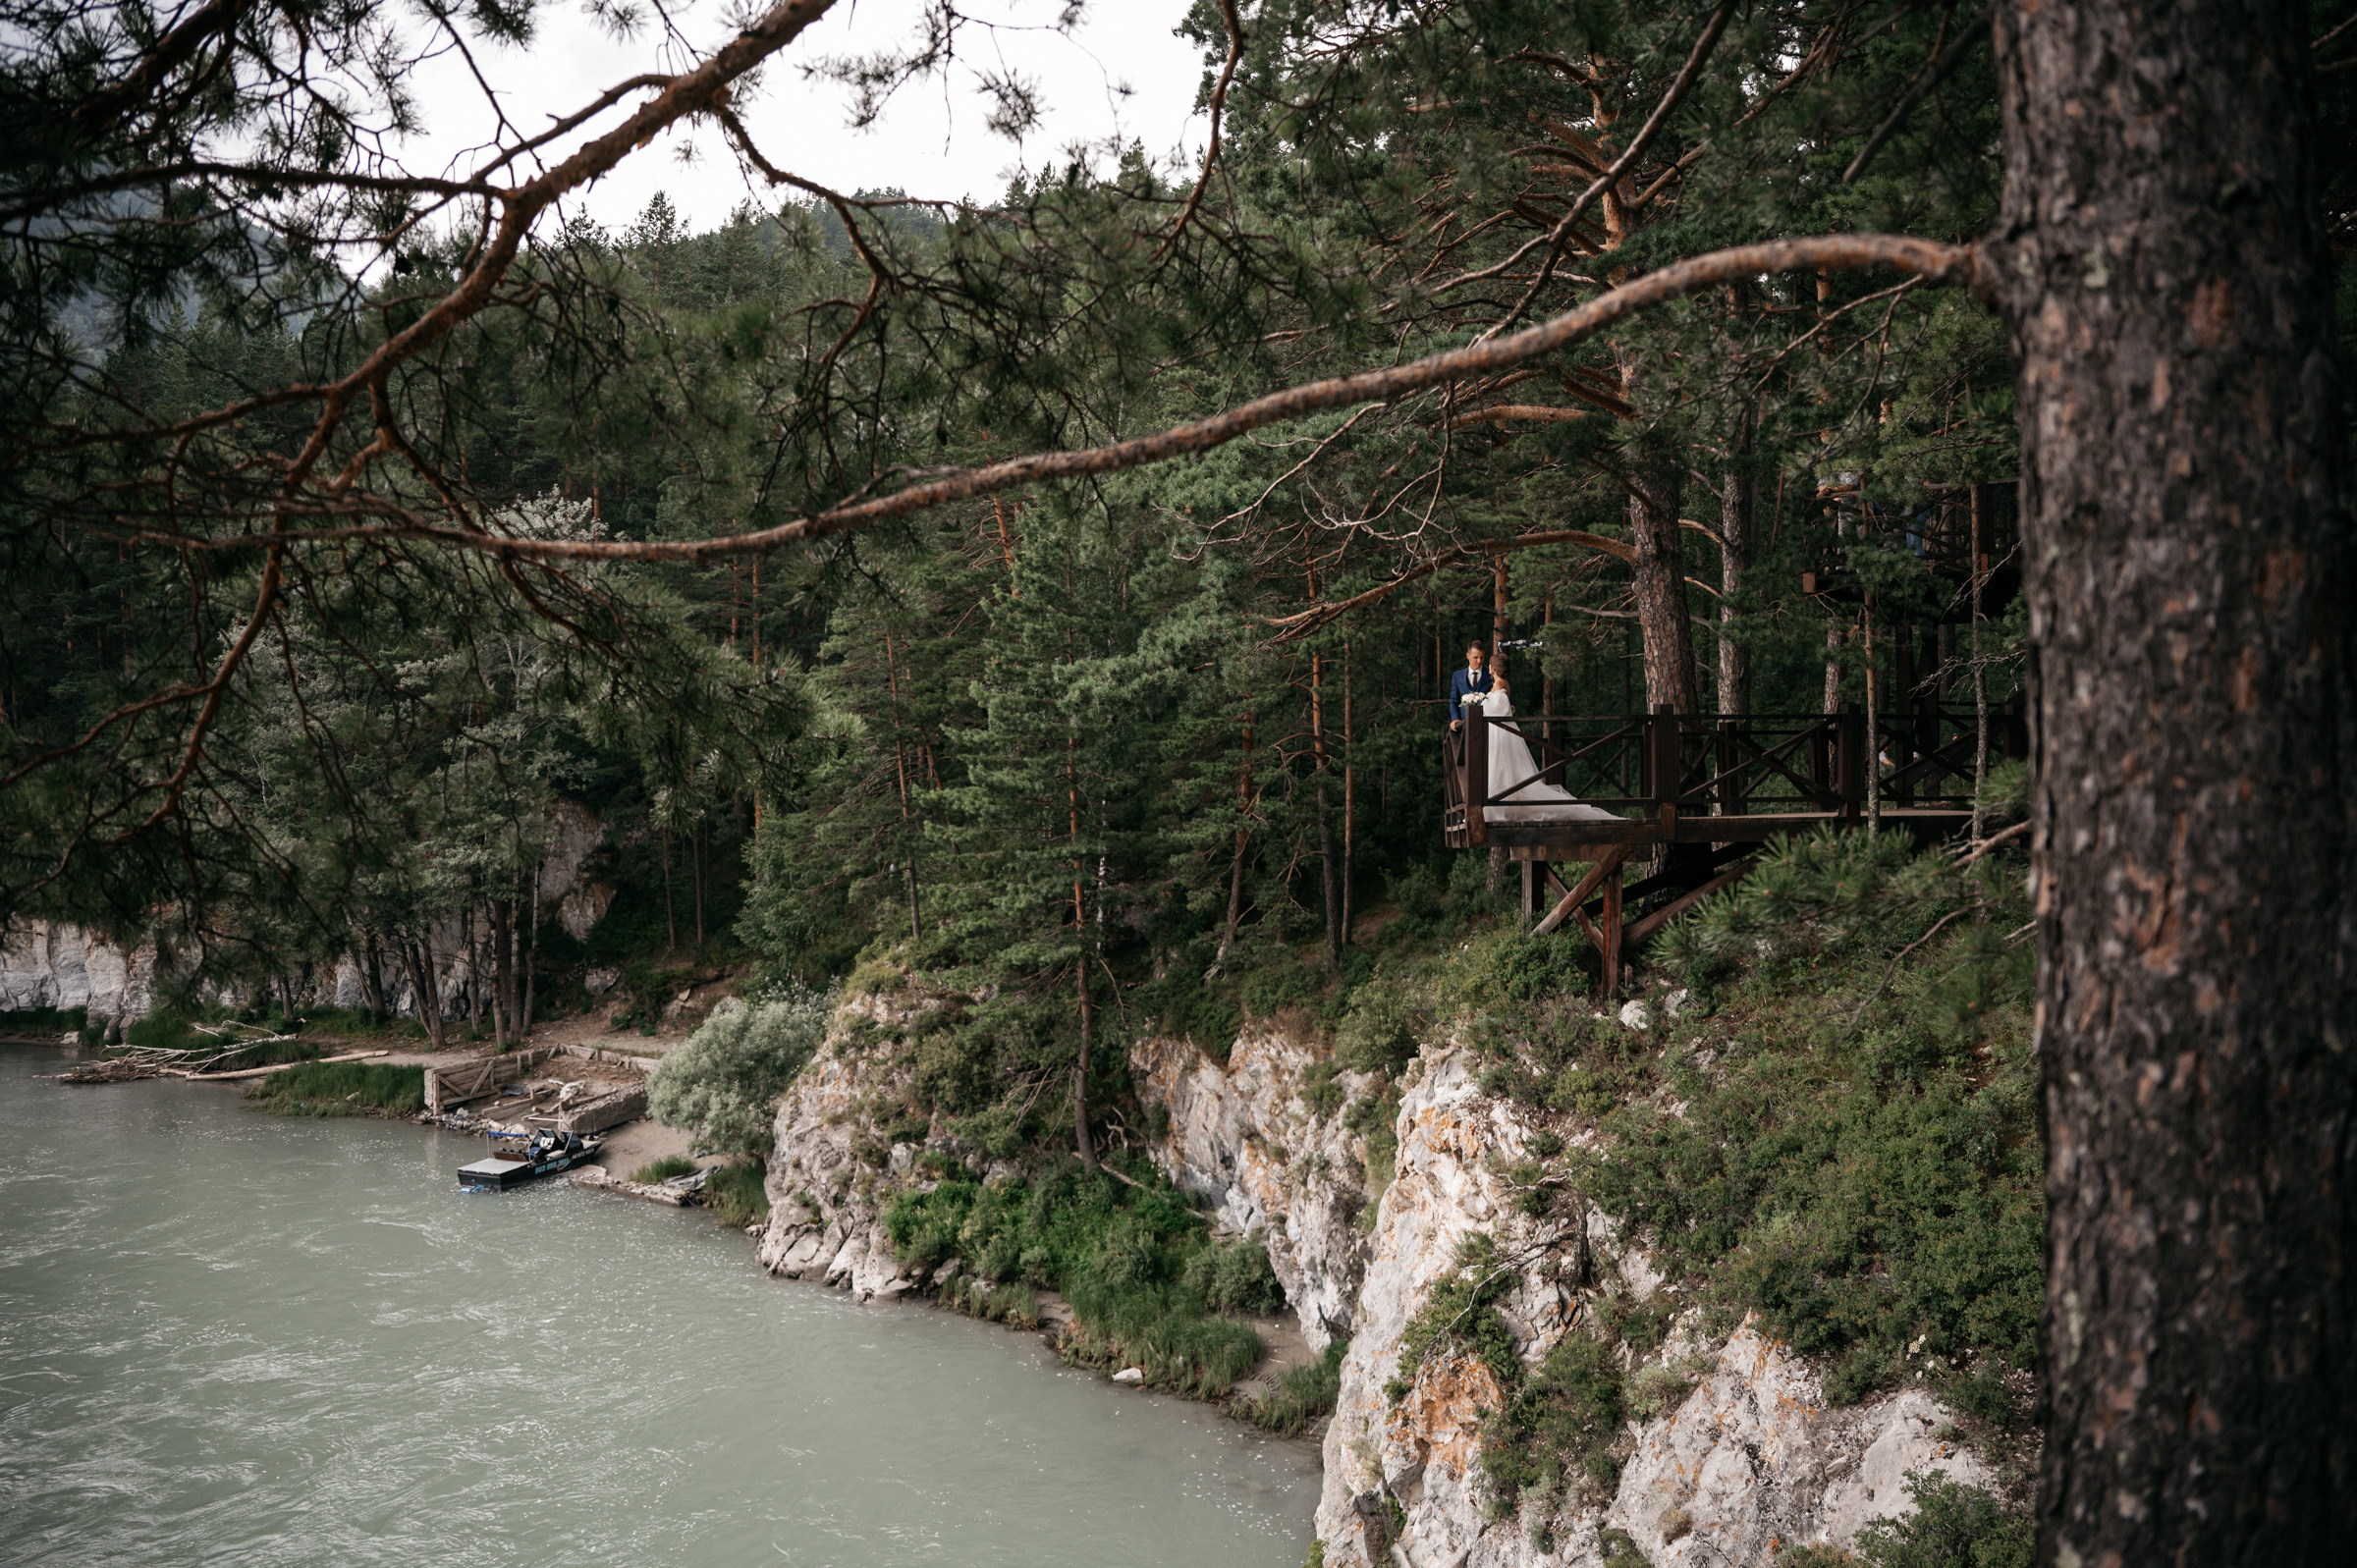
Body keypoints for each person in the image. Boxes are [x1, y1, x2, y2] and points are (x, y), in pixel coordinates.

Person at [1464, 675, 1622, 823]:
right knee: (1498, 769)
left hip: (1500, 733)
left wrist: (1481, 703)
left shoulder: (1501, 687)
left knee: (1503, 768)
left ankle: (1497, 807)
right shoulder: (1498, 685)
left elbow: (1502, 711)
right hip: (1495, 734)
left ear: (1493, 668)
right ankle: (1496, 805)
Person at [1448, 641, 1493, 730]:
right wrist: (1455, 719)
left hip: (1486, 726)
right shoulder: (1457, 676)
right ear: (1467, 656)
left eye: (1482, 657)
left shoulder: (1491, 675)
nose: (1479, 661)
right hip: (1464, 726)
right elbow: (1454, 700)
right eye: (1476, 657)